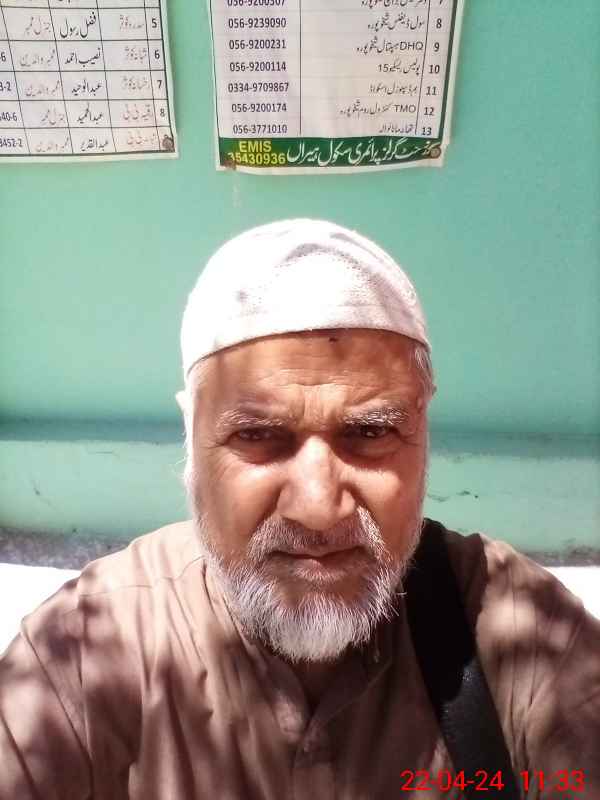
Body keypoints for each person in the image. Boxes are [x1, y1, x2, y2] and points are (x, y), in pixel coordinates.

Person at [0, 219, 599, 799]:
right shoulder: (82, 655)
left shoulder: (518, 631)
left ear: (423, 432)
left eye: (370, 432)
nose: (318, 508)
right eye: (257, 436)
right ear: (192, 444)